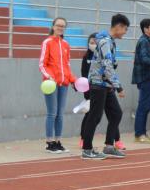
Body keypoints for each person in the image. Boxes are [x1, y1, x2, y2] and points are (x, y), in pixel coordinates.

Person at [81, 14, 129, 159]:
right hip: (98, 84)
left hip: (106, 84)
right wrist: (118, 87)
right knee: (94, 116)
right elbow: (107, 66)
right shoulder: (105, 42)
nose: (125, 33)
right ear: (118, 27)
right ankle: (87, 149)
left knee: (116, 113)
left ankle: (109, 146)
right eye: (125, 29)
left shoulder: (109, 41)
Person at [38, 17, 78, 153]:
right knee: (52, 113)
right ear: (53, 26)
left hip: (63, 83)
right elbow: (42, 64)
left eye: (63, 26)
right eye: (58, 25)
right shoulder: (47, 42)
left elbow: (67, 65)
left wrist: (73, 80)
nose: (60, 28)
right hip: (51, 84)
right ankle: (49, 143)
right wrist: (50, 77)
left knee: (60, 114)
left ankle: (58, 141)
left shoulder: (66, 44)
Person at [131, 18, 150, 143]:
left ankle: (142, 133)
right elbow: (144, 58)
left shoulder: (146, 41)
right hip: (145, 77)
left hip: (147, 77)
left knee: (146, 106)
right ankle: (139, 134)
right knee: (143, 106)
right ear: (145, 29)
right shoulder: (144, 41)